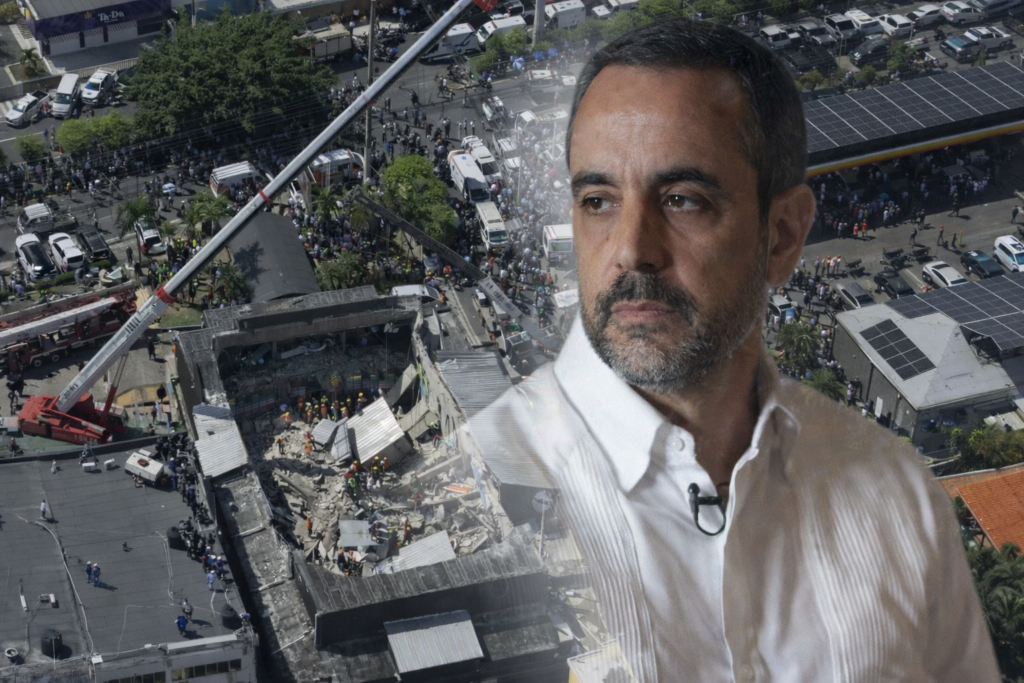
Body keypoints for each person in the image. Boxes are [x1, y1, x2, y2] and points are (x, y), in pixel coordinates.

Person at [466, 19, 999, 682]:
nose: (631, 249)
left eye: (682, 201)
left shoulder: (893, 502)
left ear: (782, 236)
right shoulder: (505, 467)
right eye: (597, 200)